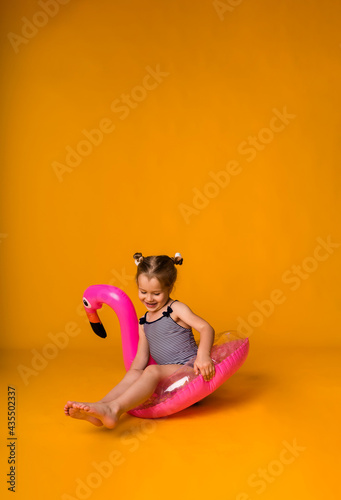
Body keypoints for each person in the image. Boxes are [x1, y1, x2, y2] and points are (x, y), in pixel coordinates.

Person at [64, 252, 215, 429]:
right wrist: (134, 375)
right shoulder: (143, 322)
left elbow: (206, 328)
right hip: (167, 378)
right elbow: (139, 361)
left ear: (169, 288)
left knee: (151, 371)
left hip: (190, 371)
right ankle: (100, 406)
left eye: (156, 293)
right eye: (143, 292)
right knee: (136, 371)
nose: (149, 298)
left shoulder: (176, 309)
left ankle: (114, 409)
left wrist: (203, 356)